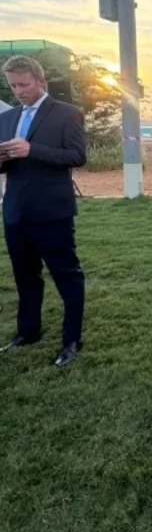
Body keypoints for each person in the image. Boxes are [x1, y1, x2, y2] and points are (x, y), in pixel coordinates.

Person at [0, 56, 87, 368]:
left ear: (41, 81)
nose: (19, 91)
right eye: (13, 86)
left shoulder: (67, 113)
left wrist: (31, 150)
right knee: (25, 276)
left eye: (24, 84)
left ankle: (71, 340)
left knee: (67, 277)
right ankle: (28, 331)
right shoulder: (8, 118)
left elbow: (77, 156)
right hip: (15, 211)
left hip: (52, 212)